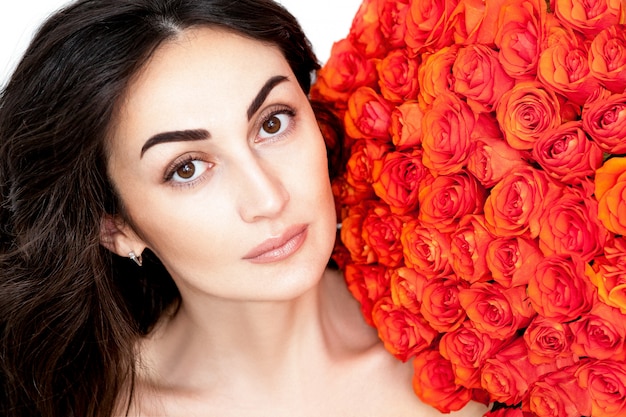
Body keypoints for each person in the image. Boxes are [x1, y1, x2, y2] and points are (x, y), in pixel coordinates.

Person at [0, 0, 489, 416]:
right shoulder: (93, 408)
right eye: (187, 168)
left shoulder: (487, 350)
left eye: (273, 123)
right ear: (116, 227)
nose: (268, 198)